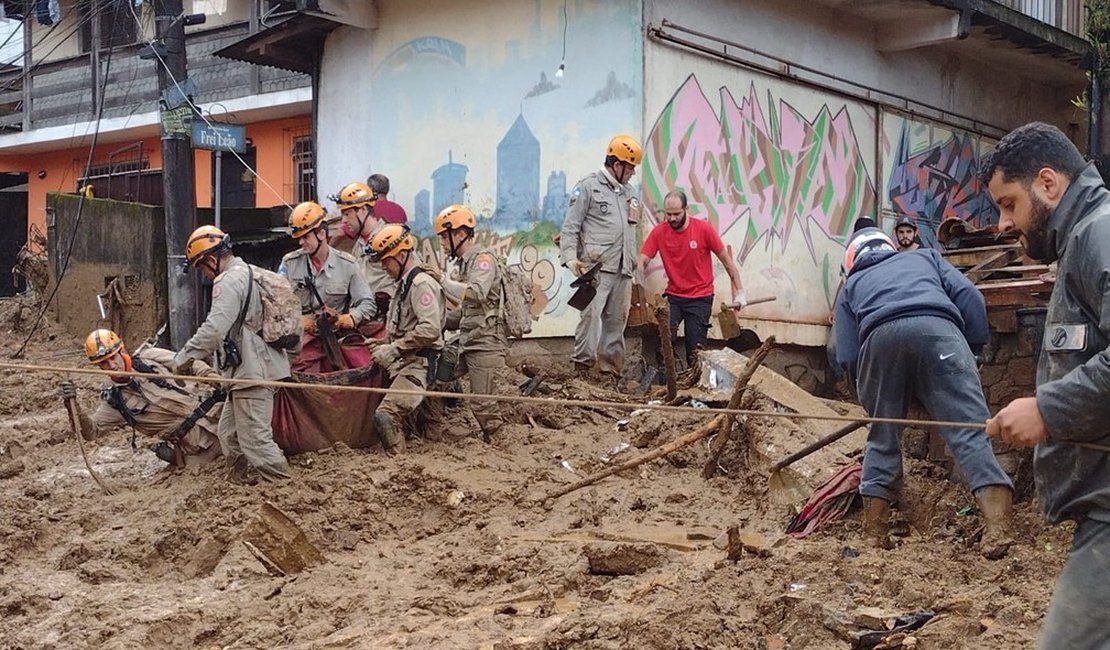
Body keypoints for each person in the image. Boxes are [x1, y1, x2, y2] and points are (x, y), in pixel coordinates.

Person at [980, 122, 1110, 648]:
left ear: (1049, 183)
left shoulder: (1098, 235)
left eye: (1009, 204)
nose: (1003, 223)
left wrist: (1047, 410)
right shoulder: (1083, 240)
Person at [834, 227, 1014, 557]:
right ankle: (999, 528)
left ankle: (874, 534)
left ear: (851, 260)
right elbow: (970, 297)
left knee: (882, 437)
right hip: (941, 332)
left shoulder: (851, 285)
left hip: (880, 339)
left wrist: (871, 394)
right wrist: (971, 347)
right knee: (970, 430)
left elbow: (846, 353)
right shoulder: (926, 257)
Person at [173, 225, 292, 482]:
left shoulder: (228, 280)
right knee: (229, 433)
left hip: (252, 370)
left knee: (255, 441)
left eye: (201, 267)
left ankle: (283, 488)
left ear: (212, 260)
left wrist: (183, 358)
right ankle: (240, 484)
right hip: (246, 371)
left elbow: (214, 328)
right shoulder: (248, 272)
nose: (203, 274)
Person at [57, 329, 223, 467]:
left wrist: (213, 378)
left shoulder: (150, 356)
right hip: (198, 446)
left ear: (122, 351)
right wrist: (72, 405)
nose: (112, 365)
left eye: (113, 357)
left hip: (217, 414)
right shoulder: (115, 401)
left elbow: (188, 363)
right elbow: (91, 432)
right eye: (105, 363)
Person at [559, 134, 642, 383]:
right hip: (597, 268)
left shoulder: (629, 193)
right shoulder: (587, 187)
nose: (632, 173)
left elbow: (631, 228)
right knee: (590, 317)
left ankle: (609, 372)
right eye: (630, 167)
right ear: (616, 165)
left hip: (623, 268)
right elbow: (570, 226)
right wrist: (570, 259)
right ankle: (582, 369)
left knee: (617, 321)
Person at [425, 204, 506, 440]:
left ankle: (500, 445)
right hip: (467, 340)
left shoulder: (482, 261)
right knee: (436, 379)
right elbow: (467, 312)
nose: (441, 242)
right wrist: (436, 323)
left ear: (460, 234)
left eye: (444, 237)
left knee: (483, 405)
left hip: (485, 343)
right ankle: (432, 434)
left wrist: (441, 279)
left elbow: (477, 294)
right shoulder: (464, 264)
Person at [638, 189, 744, 366]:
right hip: (674, 296)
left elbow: (726, 261)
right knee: (664, 340)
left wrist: (740, 291)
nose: (672, 219)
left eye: (676, 214)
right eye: (668, 214)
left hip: (700, 298)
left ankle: (693, 385)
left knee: (695, 349)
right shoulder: (660, 232)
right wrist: (639, 279)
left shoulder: (703, 230)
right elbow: (642, 259)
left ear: (686, 209)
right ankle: (666, 385)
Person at [367, 224, 445, 454]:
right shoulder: (405, 284)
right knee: (424, 430)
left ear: (402, 255)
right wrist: (383, 343)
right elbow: (405, 326)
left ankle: (399, 463)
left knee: (385, 416)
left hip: (419, 365)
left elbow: (430, 329)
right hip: (408, 363)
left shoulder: (420, 284)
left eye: (386, 260)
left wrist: (394, 348)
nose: (383, 267)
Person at [279, 201, 377, 334]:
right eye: (299, 238)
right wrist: (299, 320)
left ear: (321, 234)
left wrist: (347, 319)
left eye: (306, 237)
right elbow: (276, 303)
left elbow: (367, 303)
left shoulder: (348, 265)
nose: (301, 242)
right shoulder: (289, 263)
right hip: (299, 339)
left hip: (335, 337)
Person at [334, 181, 394, 318]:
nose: (343, 220)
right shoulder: (358, 246)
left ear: (363, 210)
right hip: (364, 318)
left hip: (387, 320)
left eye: (347, 213)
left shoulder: (390, 239)